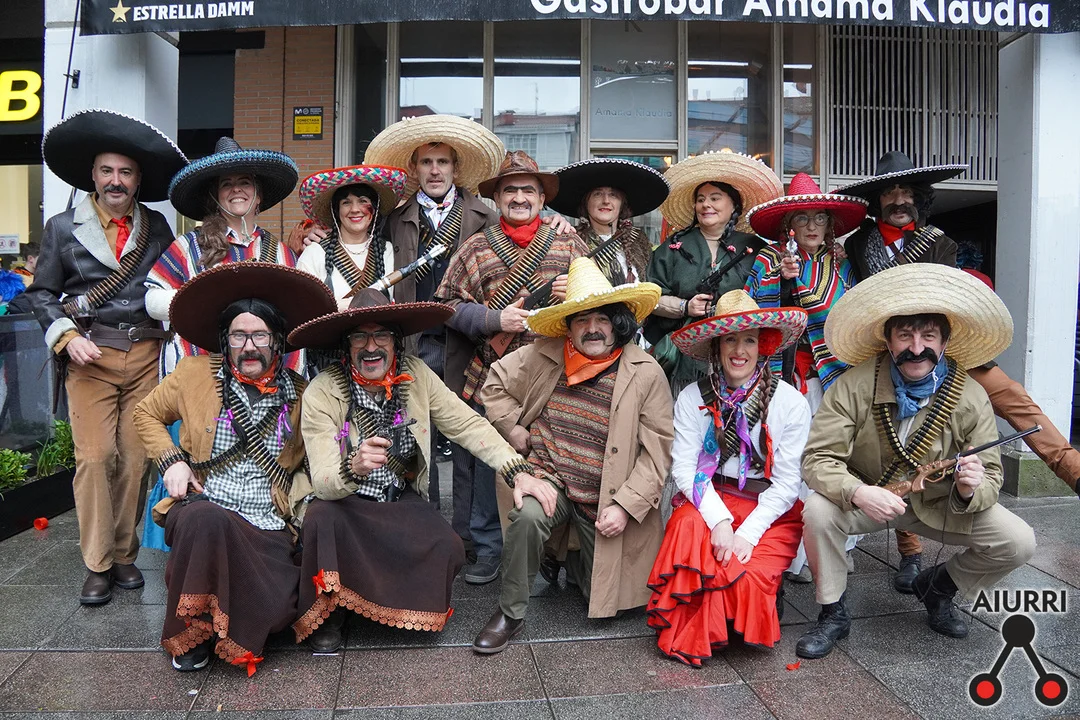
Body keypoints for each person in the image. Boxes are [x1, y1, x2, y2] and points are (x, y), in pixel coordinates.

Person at [795, 263, 1036, 659]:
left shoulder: (969, 395)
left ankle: (939, 586)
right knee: (819, 511)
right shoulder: (854, 385)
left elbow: (992, 475)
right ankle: (832, 612)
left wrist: (969, 489)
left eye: (928, 336)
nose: (917, 348)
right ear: (888, 341)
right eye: (905, 335)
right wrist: (858, 492)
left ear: (945, 342)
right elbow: (818, 458)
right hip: (872, 497)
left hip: (941, 503)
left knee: (1018, 541)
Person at [287, 289, 536, 652]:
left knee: (448, 546)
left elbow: (467, 424)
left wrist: (516, 469)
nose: (371, 346)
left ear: (396, 341)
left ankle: (375, 602)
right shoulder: (323, 390)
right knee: (322, 520)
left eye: (381, 335)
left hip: (394, 498)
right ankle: (331, 614)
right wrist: (353, 466)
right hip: (342, 503)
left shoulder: (416, 374)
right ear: (346, 344)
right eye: (359, 337)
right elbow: (324, 482)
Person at [132, 262, 337, 673]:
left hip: (267, 519)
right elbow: (145, 414)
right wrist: (172, 461)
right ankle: (191, 638)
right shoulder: (194, 374)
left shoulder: (302, 394)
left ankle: (241, 622)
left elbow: (323, 450)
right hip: (206, 503)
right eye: (238, 335)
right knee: (205, 520)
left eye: (260, 335)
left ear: (277, 341)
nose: (249, 346)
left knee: (276, 608)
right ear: (225, 341)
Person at [26, 109, 186, 605]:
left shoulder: (157, 226)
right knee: (95, 459)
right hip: (89, 358)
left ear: (137, 180)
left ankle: (122, 554)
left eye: (126, 172)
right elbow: (41, 294)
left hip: (146, 356)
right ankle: (96, 563)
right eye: (107, 171)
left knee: (136, 461)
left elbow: (177, 275)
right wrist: (65, 337)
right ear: (93, 176)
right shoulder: (61, 227)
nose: (116, 180)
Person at [474, 258, 671, 653]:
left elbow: (657, 453)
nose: (592, 328)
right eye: (582, 320)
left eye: (602, 319)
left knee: (602, 599)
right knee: (528, 515)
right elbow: (494, 382)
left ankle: (563, 557)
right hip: (549, 477)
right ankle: (510, 612)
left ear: (617, 324)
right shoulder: (545, 353)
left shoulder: (646, 371)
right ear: (568, 326)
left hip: (605, 496)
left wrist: (625, 506)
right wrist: (513, 427)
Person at [435, 150, 587, 585]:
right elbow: (446, 305)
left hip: (556, 376)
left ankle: (551, 551)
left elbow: (600, 303)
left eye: (528, 190)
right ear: (497, 198)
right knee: (489, 464)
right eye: (510, 190)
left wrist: (574, 293)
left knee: (557, 460)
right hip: (492, 376)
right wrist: (492, 319)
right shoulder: (475, 247)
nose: (520, 197)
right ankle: (488, 548)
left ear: (542, 198)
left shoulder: (569, 243)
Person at [646, 290, 809, 665]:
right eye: (730, 340)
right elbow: (685, 468)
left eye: (749, 340)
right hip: (709, 498)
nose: (739, 351)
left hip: (767, 509)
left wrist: (746, 534)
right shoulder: (693, 397)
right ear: (717, 347)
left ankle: (748, 606)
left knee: (743, 577)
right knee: (686, 527)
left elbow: (788, 484)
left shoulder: (790, 403)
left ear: (762, 346)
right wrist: (719, 521)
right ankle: (701, 627)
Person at [744, 173, 868, 582]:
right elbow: (756, 316)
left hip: (833, 377)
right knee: (789, 460)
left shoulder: (842, 265)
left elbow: (852, 317)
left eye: (819, 217)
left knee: (833, 457)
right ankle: (791, 551)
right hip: (784, 377)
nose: (812, 226)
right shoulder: (767, 261)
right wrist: (784, 281)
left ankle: (833, 545)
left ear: (830, 224)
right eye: (802, 218)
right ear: (788, 225)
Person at [145, 136, 301, 375]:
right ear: (215, 197)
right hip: (201, 372)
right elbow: (152, 301)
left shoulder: (281, 253)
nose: (236, 189)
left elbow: (294, 316)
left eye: (245, 182)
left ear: (259, 196)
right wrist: (204, 303)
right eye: (226, 184)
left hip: (266, 375)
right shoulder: (189, 246)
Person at [644, 150, 783, 395]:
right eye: (700, 199)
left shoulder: (754, 248)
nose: (705, 204)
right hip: (685, 359)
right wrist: (685, 307)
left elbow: (773, 293)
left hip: (741, 354)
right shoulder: (672, 248)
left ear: (734, 205)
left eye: (715, 198)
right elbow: (651, 296)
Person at [295, 165, 408, 310]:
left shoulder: (388, 250)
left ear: (375, 208)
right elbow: (302, 307)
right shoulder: (315, 252)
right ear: (337, 211)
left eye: (363, 201)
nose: (355, 209)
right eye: (346, 202)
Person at [547, 159, 670, 286]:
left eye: (613, 195)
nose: (606, 201)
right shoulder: (572, 240)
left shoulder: (639, 240)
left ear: (622, 205)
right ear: (586, 203)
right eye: (597, 194)